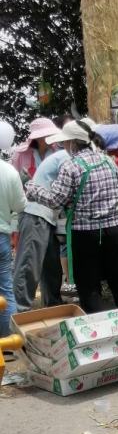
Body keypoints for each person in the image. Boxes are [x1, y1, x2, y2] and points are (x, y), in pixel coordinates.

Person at [26, 118, 118, 314]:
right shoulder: (108, 161)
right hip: (114, 230)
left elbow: (55, 200)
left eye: (64, 142)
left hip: (85, 235)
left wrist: (33, 189)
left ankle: (99, 328)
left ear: (73, 142)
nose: (63, 146)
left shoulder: (71, 166)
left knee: (89, 286)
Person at [13, 137, 68, 311]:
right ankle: (18, 310)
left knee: (52, 265)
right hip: (35, 214)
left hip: (48, 215)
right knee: (29, 264)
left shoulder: (60, 155)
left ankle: (53, 303)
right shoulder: (68, 158)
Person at [0, 120, 25, 338]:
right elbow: (20, 206)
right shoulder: (9, 172)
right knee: (5, 287)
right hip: (2, 237)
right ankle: (7, 341)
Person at [10, 117, 58, 183]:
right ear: (37, 138)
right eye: (48, 136)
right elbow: (11, 179)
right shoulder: (20, 154)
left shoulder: (57, 152)